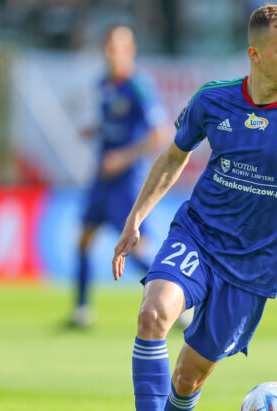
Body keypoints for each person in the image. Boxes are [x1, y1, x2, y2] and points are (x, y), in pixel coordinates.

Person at [111, 5, 277, 411]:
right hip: (198, 237)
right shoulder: (214, 99)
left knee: (188, 378)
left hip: (253, 267)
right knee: (152, 315)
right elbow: (173, 156)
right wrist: (137, 217)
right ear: (255, 54)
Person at [72, 25, 171, 328]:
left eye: (119, 46)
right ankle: (82, 310)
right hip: (102, 178)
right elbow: (115, 123)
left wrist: (123, 157)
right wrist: (96, 131)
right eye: (109, 46)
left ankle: (174, 302)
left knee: (136, 249)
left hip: (127, 180)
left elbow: (160, 133)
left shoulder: (139, 85)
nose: (112, 52)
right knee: (84, 240)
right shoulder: (102, 84)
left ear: (131, 50)